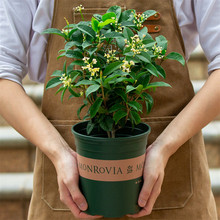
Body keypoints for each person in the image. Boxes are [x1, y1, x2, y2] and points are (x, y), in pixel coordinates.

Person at [0, 0, 219, 219]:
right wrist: (59, 154)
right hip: (71, 187)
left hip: (174, 181)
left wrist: (164, 147)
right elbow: (3, 72)